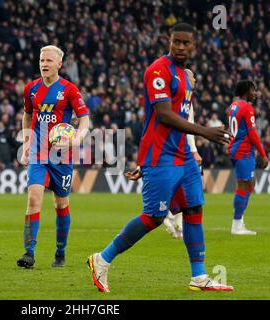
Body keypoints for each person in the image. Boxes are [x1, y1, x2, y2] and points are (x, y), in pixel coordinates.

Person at [87, 23, 234, 292]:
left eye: (185, 43)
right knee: (154, 217)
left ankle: (199, 276)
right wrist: (205, 133)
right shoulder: (158, 70)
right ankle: (102, 259)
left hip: (184, 157)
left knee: (193, 209)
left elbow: (182, 114)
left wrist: (193, 146)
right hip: (161, 156)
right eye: (175, 41)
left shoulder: (186, 76)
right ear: (169, 41)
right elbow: (164, 115)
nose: (180, 46)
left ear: (193, 46)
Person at [17, 45, 90, 268]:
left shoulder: (69, 90)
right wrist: (28, 143)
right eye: (41, 60)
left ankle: (60, 252)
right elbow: (27, 115)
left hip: (62, 155)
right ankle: (29, 253)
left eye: (49, 61)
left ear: (59, 64)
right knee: (33, 199)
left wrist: (76, 139)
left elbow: (85, 119)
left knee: (60, 204)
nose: (44, 64)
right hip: (39, 153)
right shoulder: (31, 89)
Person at [163, 69, 202, 239]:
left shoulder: (187, 96)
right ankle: (168, 215)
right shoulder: (179, 97)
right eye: (193, 76)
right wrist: (193, 150)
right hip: (177, 148)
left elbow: (188, 124)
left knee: (184, 186)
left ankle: (177, 221)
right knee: (182, 185)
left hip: (181, 148)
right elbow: (187, 124)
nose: (195, 78)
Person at [227, 80, 268, 235]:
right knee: (244, 185)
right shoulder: (247, 107)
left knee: (250, 182)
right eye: (253, 90)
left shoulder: (233, 105)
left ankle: (240, 220)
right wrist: (263, 154)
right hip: (243, 151)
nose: (255, 93)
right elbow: (252, 134)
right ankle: (237, 225)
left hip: (237, 149)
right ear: (246, 91)